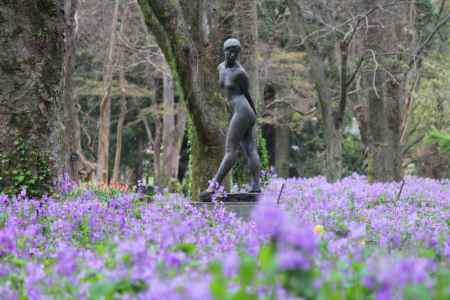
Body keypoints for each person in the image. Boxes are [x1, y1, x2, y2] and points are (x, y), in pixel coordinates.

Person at [204, 37, 261, 195]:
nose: (232, 56)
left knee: (231, 149)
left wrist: (253, 116)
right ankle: (256, 187)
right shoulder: (220, 68)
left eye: (235, 53)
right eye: (229, 52)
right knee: (249, 149)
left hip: (243, 111)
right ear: (224, 51)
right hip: (237, 111)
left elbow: (247, 95)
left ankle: (213, 186)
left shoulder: (240, 73)